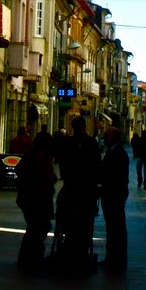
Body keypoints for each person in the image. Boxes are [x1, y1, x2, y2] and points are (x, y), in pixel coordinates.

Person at [54, 116, 101, 272]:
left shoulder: (69, 143)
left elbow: (63, 163)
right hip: (84, 191)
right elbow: (96, 166)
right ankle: (81, 250)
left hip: (73, 190)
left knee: (69, 221)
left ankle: (71, 248)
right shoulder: (91, 143)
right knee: (84, 223)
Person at [15, 131, 56, 273]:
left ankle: (28, 257)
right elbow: (47, 178)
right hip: (37, 200)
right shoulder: (40, 158)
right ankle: (31, 258)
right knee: (39, 227)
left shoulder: (30, 156)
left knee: (35, 227)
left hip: (28, 199)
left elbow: (19, 170)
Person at [99, 126, 129, 272]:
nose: (103, 137)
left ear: (113, 138)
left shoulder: (117, 153)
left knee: (115, 228)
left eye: (106, 135)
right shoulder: (114, 152)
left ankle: (116, 259)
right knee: (113, 228)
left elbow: (113, 176)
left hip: (114, 196)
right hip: (112, 195)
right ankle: (113, 257)